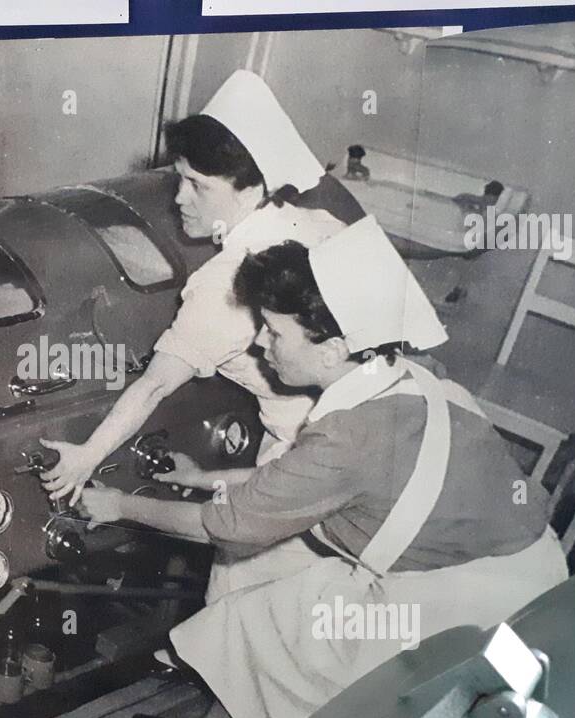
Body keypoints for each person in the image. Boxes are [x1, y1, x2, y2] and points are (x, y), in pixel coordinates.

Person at [77, 216, 570, 718]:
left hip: (474, 603)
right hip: (519, 564)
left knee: (318, 668)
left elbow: (221, 525)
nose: (261, 345)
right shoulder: (409, 378)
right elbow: (307, 486)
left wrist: (117, 506)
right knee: (260, 619)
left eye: (275, 332)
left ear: (334, 348)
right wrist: (204, 477)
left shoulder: (348, 437)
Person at [39, 70, 361, 603]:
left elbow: (153, 388)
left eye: (198, 185)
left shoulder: (229, 280)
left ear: (251, 188)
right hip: (354, 449)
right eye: (179, 178)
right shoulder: (320, 222)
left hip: (299, 468)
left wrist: (85, 457)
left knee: (242, 610)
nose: (179, 199)